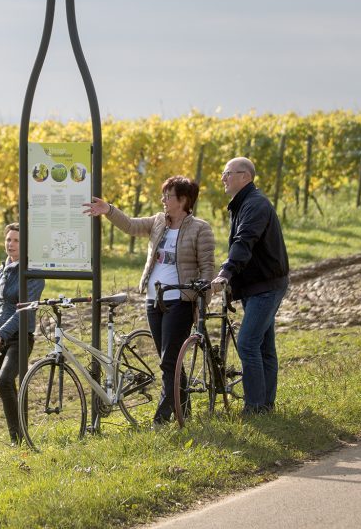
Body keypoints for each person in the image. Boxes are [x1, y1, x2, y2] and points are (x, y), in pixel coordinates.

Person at [83, 176, 215, 425]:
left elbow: (207, 267)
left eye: (168, 195)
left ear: (183, 200)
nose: (163, 199)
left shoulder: (200, 228)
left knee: (168, 360)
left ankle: (162, 418)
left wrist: (202, 302)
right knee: (171, 360)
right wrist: (108, 210)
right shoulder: (157, 221)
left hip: (180, 299)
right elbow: (131, 226)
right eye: (163, 195)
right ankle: (183, 410)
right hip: (154, 300)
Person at [212, 157, 290, 416]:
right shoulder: (244, 203)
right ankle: (266, 405)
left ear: (245, 176)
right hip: (259, 284)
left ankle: (255, 407)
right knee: (264, 346)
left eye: (228, 173)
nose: (223, 178)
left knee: (247, 343)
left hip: (266, 286)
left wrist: (226, 272)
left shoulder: (254, 204)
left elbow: (244, 241)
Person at [0, 223, 44, 444]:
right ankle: (18, 439)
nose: (11, 244)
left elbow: (24, 309)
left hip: (19, 337)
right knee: (5, 388)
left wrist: (0, 333)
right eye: (9, 239)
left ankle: (19, 438)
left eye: (17, 240)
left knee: (4, 383)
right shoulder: (3, 268)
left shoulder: (32, 272)